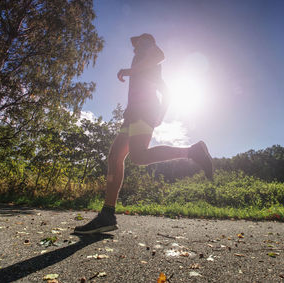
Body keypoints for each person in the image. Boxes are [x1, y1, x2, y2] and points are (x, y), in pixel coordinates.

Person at [74, 33, 213, 234]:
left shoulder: (149, 50)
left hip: (142, 111)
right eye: (135, 44)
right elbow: (167, 91)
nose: (134, 46)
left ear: (145, 42)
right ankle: (107, 214)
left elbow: (160, 54)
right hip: (134, 114)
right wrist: (161, 114)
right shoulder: (146, 64)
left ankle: (192, 151)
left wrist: (130, 70)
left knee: (138, 156)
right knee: (115, 156)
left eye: (137, 42)